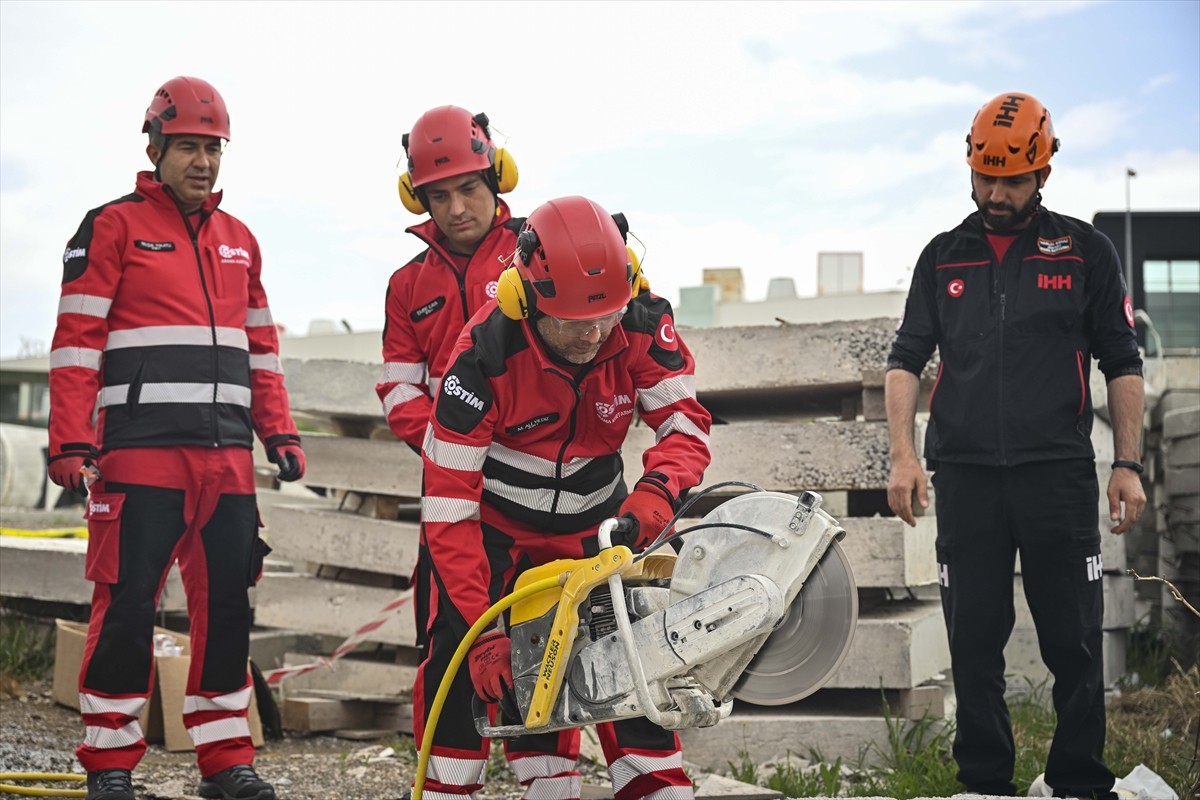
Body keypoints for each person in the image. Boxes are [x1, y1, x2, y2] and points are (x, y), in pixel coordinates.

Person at [47, 76, 304, 800]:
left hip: (228, 464)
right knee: (126, 607)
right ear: (155, 147)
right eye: (188, 146)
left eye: (213, 147)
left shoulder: (240, 242)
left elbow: (263, 351)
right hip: (139, 457)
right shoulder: (111, 226)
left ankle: (225, 762)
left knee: (227, 610)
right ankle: (109, 764)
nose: (203, 161)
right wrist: (70, 441)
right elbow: (76, 342)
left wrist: (278, 431)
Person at [884, 92, 1145, 799]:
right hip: (966, 477)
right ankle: (986, 784)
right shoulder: (942, 258)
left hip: (1057, 477)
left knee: (1075, 643)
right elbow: (906, 359)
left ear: (1043, 174)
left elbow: (1122, 362)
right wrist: (905, 456)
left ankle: (1079, 782)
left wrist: (1126, 464)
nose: (996, 194)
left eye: (1012, 180)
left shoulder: (1086, 251)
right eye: (984, 178)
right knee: (974, 643)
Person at [416, 196, 712, 800]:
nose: (595, 333)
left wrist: (657, 494)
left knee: (629, 651)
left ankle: (658, 788)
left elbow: (685, 425)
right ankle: (457, 789)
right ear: (526, 300)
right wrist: (483, 628)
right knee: (459, 658)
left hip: (601, 526)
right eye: (576, 320)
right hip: (495, 536)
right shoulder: (482, 356)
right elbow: (447, 509)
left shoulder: (636, 322)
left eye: (606, 316)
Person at [375, 105, 523, 656]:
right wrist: (450, 449)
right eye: (440, 196)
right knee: (448, 641)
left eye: (469, 189)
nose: (457, 209)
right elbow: (398, 388)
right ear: (418, 199)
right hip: (450, 486)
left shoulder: (537, 253)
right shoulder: (406, 285)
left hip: (535, 483)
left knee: (549, 632)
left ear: (496, 176)